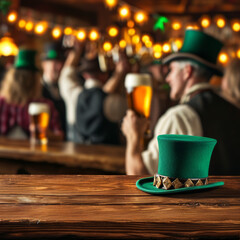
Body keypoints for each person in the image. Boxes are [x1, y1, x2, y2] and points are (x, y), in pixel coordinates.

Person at [122, 29, 240, 176]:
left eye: (171, 70)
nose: (167, 78)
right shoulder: (234, 110)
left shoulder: (179, 118)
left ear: (187, 72)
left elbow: (140, 176)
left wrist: (133, 137)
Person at [59, 40, 128, 143]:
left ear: (84, 75)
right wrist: (119, 73)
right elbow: (102, 95)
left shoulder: (74, 94)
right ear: (104, 75)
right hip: (107, 155)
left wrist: (77, 51)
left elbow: (66, 75)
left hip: (75, 153)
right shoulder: (109, 98)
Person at [0, 49, 63, 140]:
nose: (24, 80)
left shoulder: (45, 105)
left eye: (28, 76)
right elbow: (60, 136)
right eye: (21, 76)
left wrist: (48, 134)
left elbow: (59, 136)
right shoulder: (45, 104)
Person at [41, 41, 67, 138]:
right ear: (44, 65)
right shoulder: (38, 89)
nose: (59, 67)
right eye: (55, 63)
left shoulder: (64, 87)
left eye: (61, 63)